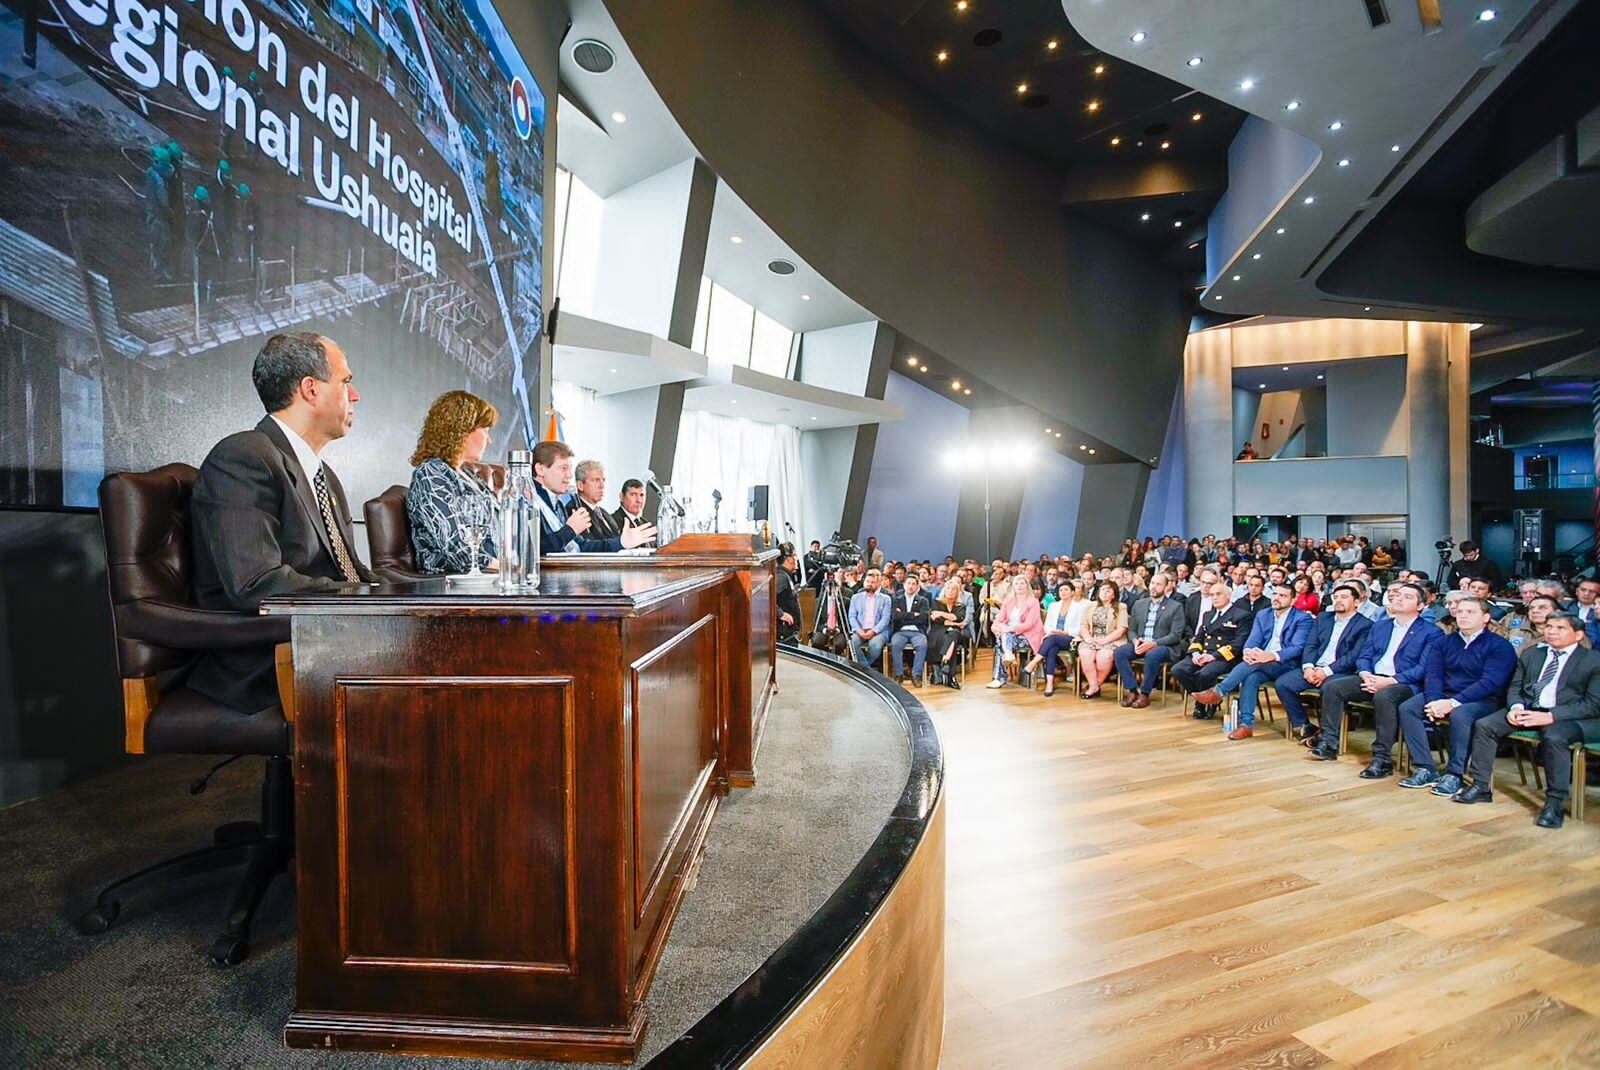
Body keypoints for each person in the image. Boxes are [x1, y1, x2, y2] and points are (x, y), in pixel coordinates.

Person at [189, 333, 375, 713]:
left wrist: (426, 594)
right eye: (345, 382)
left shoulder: (324, 476)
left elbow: (353, 574)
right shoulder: (243, 456)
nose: (354, 396)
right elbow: (255, 584)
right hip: (268, 660)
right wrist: (364, 602)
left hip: (326, 642)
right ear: (310, 389)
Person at [1454, 612, 1600, 829]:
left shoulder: (1593, 661)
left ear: (1578, 635)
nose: (1551, 631)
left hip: (1573, 716)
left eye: (1560, 628)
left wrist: (1551, 716)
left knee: (1554, 735)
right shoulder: (1532, 655)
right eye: (1549, 626)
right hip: (1530, 709)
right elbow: (1515, 687)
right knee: (1486, 725)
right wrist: (1516, 707)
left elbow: (1593, 704)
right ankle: (1481, 785)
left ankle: (1555, 802)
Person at [1305, 583, 1440, 767]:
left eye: (1407, 597)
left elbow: (1423, 668)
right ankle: (1328, 743)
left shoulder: (1431, 632)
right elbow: (1364, 656)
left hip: (1403, 682)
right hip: (1372, 677)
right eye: (1398, 595)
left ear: (1420, 606)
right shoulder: (1380, 626)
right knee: (1333, 686)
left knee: (1385, 696)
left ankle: (1382, 758)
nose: (1399, 599)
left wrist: (1389, 681)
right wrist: (1365, 674)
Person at [1394, 597, 1516, 795]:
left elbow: (1490, 682)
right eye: (1460, 612)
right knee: (1408, 708)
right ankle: (1426, 767)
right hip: (1445, 695)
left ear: (1486, 617)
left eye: (1470, 612)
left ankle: (1455, 773)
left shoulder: (1499, 646)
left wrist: (1452, 703)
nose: (1463, 616)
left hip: (1484, 699)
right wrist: (1434, 701)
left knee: (1461, 714)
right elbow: (1433, 674)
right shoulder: (1444, 642)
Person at [1193, 586, 1313, 739]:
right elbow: (1252, 640)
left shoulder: (1302, 618)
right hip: (1261, 662)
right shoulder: (1264, 614)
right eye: (1275, 594)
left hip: (1287, 663)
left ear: (1293, 599)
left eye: (1283, 595)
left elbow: (1298, 647)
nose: (1277, 598)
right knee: (1251, 678)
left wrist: (1271, 656)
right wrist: (1249, 652)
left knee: (1252, 666)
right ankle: (1246, 725)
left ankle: (1220, 691)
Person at [406, 391, 500, 574]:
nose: (489, 440)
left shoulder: (469, 475)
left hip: (487, 577)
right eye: (486, 431)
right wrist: (508, 568)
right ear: (462, 430)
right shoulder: (431, 474)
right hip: (453, 584)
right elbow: (457, 549)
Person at [1272, 583, 1373, 742]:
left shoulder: (1365, 625)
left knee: (1330, 688)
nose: (1338, 600)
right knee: (1283, 683)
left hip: (1340, 671)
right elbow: (1311, 645)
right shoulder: (1323, 618)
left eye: (1344, 597)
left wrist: (1326, 672)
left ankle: (1328, 736)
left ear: (1356, 602)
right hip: (1315, 666)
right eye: (1336, 597)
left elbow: (1353, 656)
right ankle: (1304, 725)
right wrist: (1308, 667)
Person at [532, 441, 655, 554]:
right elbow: (535, 549)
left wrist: (621, 543)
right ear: (540, 469)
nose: (569, 475)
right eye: (563, 468)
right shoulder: (529, 502)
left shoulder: (557, 504)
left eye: (569, 469)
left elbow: (581, 547)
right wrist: (570, 530)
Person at [1171, 581, 1253, 718]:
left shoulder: (1241, 615)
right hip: (1204, 654)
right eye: (1212, 595)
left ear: (1228, 595)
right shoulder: (1208, 614)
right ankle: (1204, 699)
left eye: (1218, 594)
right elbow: (1199, 638)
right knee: (1178, 669)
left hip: (1225, 657)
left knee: (1204, 673)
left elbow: (1238, 644)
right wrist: (1196, 653)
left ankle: (1204, 705)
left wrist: (1213, 656)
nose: (1214, 597)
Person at [1114, 572, 1186, 708]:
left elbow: (1175, 635)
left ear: (1166, 587)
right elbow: (1131, 629)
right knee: (1119, 652)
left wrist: (1154, 643)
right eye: (1152, 583)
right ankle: (1133, 690)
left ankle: (1145, 694)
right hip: (1141, 643)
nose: (1153, 587)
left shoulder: (1175, 606)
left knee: (1153, 655)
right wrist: (1135, 640)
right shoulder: (1139, 604)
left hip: (1163, 645)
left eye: (1158, 584)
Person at [1027, 581, 1085, 697]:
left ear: (1072, 592)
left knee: (1051, 640)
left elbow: (1080, 628)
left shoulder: (1079, 608)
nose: (1063, 592)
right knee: (1051, 649)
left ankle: (1034, 662)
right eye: (1061, 590)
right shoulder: (1053, 606)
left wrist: (1064, 632)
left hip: (1070, 638)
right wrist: (1052, 632)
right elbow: (1047, 626)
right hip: (1053, 638)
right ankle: (1049, 684)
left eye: (1066, 590)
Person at [988, 576, 1044, 689]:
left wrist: (1009, 629)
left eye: (1022, 583)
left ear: (1027, 586)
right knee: (1002, 635)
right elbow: (999, 620)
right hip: (1010, 636)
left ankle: (999, 678)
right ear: (1013, 586)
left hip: (1028, 636)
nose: (1019, 586)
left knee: (1002, 641)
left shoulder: (1033, 602)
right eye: (1017, 583)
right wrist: (995, 627)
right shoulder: (1009, 601)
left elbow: (1029, 625)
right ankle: (1008, 653)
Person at [1078, 581, 1129, 699]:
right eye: (1102, 590)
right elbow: (1083, 625)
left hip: (1111, 640)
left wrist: (1105, 640)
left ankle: (1094, 686)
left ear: (1114, 594)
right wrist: (1087, 638)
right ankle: (1094, 686)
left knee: (1103, 657)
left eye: (1108, 590)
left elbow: (1122, 629)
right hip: (1092, 638)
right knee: (1085, 653)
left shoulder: (1121, 607)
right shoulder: (1090, 606)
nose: (1104, 593)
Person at [887, 573, 933, 685]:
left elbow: (922, 619)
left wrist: (904, 615)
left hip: (917, 631)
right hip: (900, 631)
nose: (911, 586)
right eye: (908, 583)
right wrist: (913, 615)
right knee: (896, 645)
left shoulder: (923, 601)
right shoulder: (896, 600)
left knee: (922, 645)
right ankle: (899, 674)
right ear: (904, 585)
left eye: (913, 584)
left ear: (918, 587)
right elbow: (896, 617)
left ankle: (916, 674)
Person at [847, 567, 893, 670]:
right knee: (852, 643)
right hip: (860, 630)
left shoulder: (886, 599)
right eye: (867, 581)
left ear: (878, 584)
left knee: (875, 646)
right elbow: (852, 616)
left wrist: (873, 631)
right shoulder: (856, 597)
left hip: (878, 631)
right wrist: (859, 631)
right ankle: (867, 670)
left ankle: (862, 669)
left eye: (873, 582)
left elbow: (885, 619)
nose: (869, 584)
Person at [927, 577, 969, 689]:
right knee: (953, 637)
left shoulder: (960, 606)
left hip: (954, 633)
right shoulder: (935, 602)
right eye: (948, 589)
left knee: (953, 634)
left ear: (957, 592)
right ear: (944, 590)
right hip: (937, 631)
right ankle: (951, 675)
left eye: (953, 589)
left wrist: (942, 614)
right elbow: (937, 620)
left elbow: (958, 617)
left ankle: (945, 662)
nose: (950, 591)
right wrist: (954, 623)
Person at [571, 460, 624, 542]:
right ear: (580, 485)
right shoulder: (575, 512)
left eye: (603, 480)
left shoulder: (605, 514)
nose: (602, 486)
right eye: (596, 480)